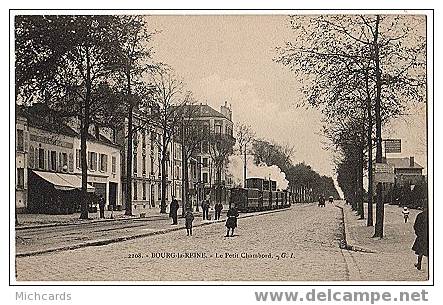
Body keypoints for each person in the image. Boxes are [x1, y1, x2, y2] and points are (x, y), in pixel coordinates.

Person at [412, 206, 428, 270]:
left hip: (422, 236)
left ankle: (419, 264)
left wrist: (418, 234)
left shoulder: (420, 215)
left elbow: (416, 226)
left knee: (420, 251)